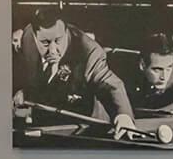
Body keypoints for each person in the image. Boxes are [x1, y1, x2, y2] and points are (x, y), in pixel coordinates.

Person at [13, 12, 142, 137]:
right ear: (35, 38)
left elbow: (109, 83)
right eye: (45, 43)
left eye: (58, 40)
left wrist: (123, 116)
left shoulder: (89, 51)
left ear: (66, 31)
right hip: (44, 125)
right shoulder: (28, 37)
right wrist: (20, 91)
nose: (52, 50)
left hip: (86, 129)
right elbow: (23, 70)